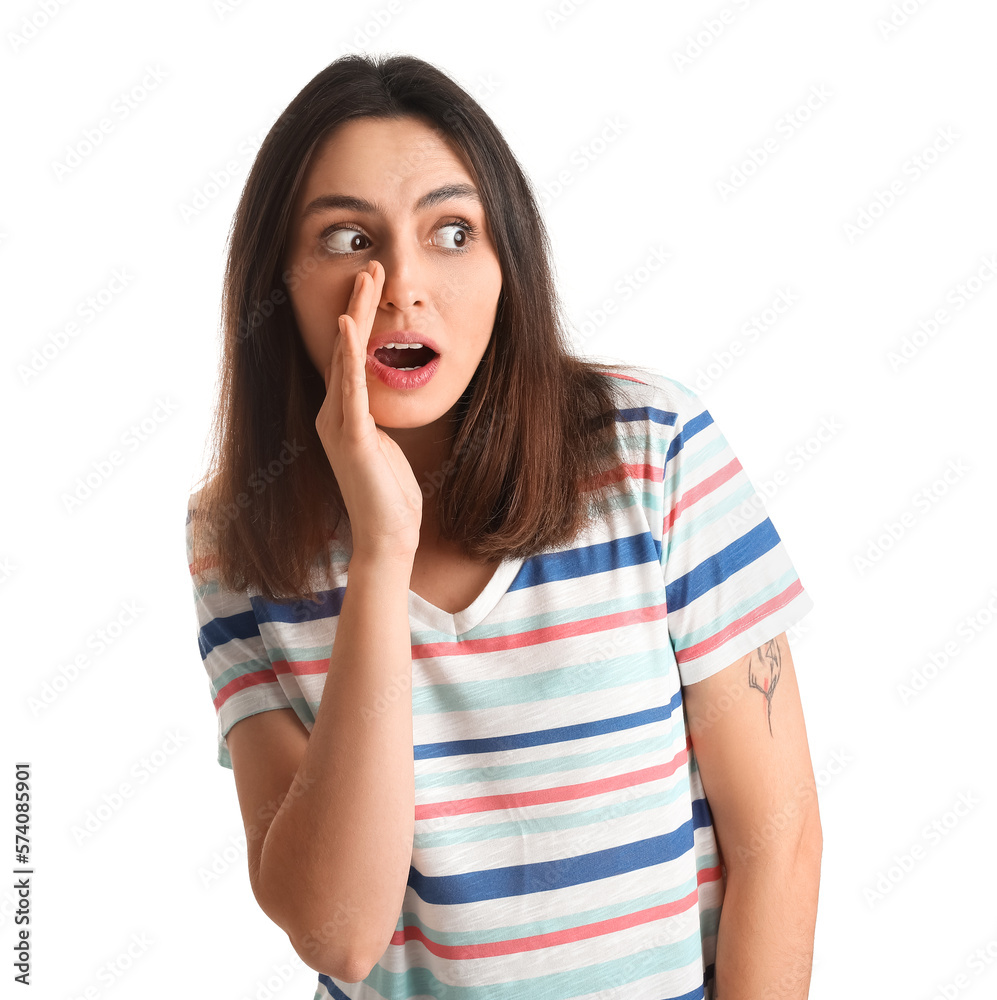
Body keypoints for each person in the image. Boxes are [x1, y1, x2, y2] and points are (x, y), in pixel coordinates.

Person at [185, 53, 822, 1000]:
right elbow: (340, 933)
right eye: (348, 239)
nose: (400, 283)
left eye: (451, 231)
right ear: (278, 283)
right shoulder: (240, 537)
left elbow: (779, 843)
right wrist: (380, 549)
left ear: (505, 267)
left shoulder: (652, 449)